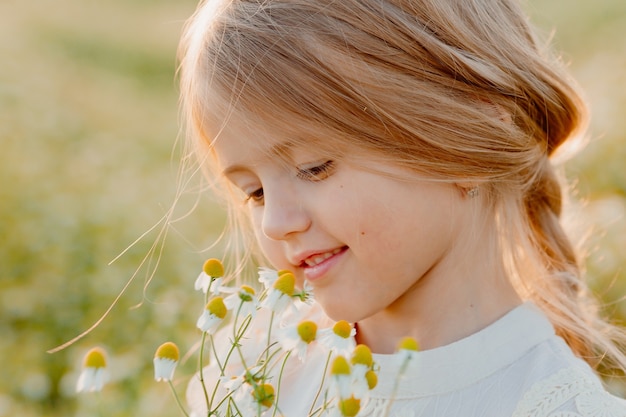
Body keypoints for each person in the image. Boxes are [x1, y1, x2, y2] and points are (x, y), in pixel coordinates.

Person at [176, 0, 626, 415]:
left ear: (466, 144)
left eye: (314, 168)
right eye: (254, 192)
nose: (275, 223)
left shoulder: (557, 405)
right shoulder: (256, 374)